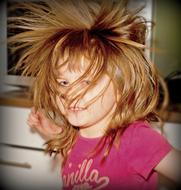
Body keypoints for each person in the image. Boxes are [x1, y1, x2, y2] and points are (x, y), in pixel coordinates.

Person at [8, 0, 181, 189]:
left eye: (87, 81)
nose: (70, 92)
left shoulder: (135, 138)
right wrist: (53, 133)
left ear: (121, 87)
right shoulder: (72, 136)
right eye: (64, 82)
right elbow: (79, 148)